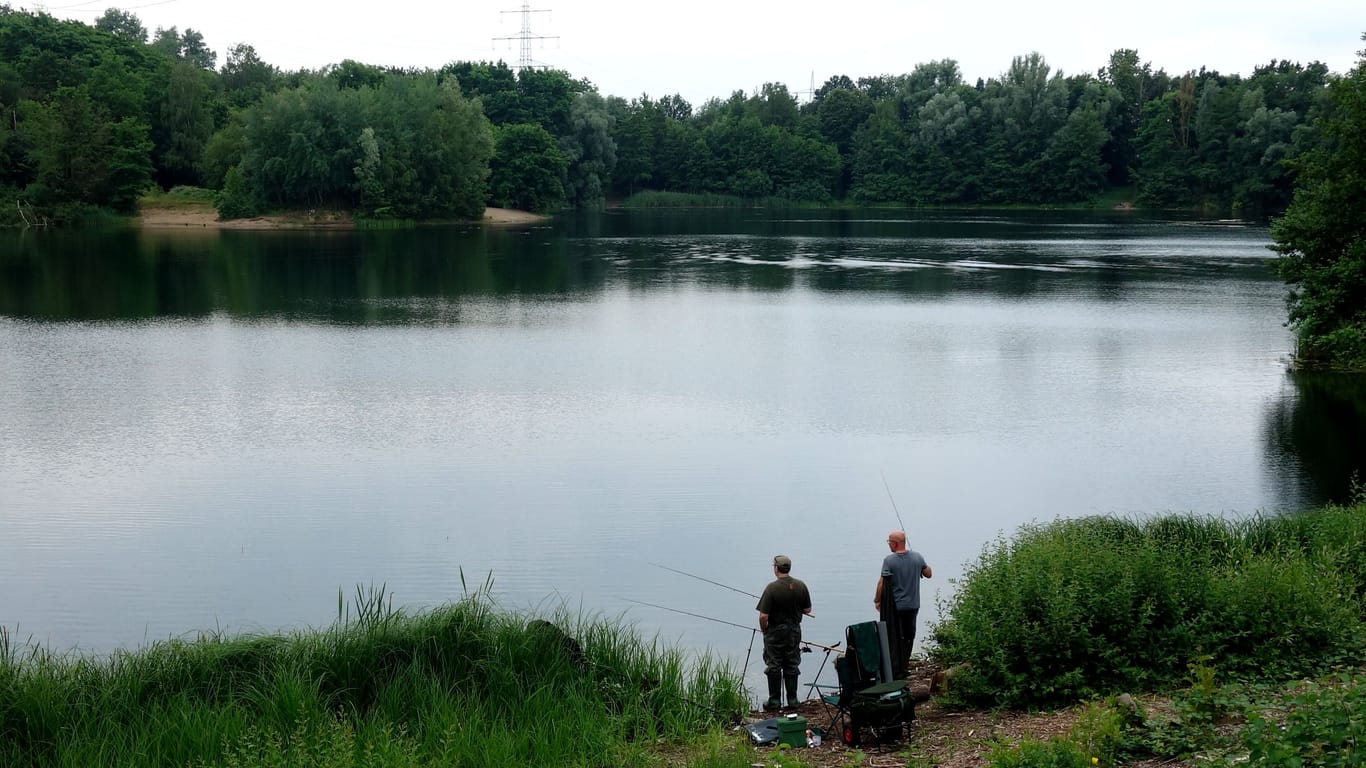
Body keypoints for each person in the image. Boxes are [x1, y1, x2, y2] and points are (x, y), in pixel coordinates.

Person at [756, 554, 813, 711]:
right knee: (792, 662)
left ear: (776, 568)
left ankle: (774, 702)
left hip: (775, 631)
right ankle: (793, 700)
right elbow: (807, 609)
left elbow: (763, 616)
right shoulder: (801, 585)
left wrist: (764, 630)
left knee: (774, 664)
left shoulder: (771, 588)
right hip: (794, 631)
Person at [874, 530, 932, 680]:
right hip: (913, 606)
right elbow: (929, 573)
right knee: (909, 636)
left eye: (889, 542)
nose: (888, 545)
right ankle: (904, 666)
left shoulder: (889, 561)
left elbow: (882, 582)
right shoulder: (917, 557)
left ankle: (896, 668)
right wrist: (919, 567)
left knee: (895, 637)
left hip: (896, 608)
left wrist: (877, 600)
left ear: (895, 543)